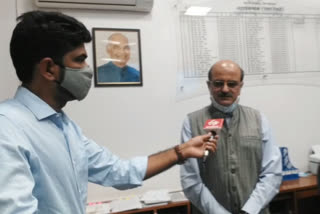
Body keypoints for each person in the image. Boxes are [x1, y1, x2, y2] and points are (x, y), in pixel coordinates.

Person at [0, 11, 218, 214]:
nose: (88, 69)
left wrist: (181, 151)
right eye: (79, 60)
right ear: (49, 69)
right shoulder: (7, 129)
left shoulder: (63, 126)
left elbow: (118, 171)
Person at [180, 60, 282, 214]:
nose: (225, 89)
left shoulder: (259, 120)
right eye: (218, 83)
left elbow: (271, 173)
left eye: (232, 84)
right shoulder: (191, 122)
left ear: (240, 87)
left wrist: (249, 210)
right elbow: (191, 180)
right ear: (209, 86)